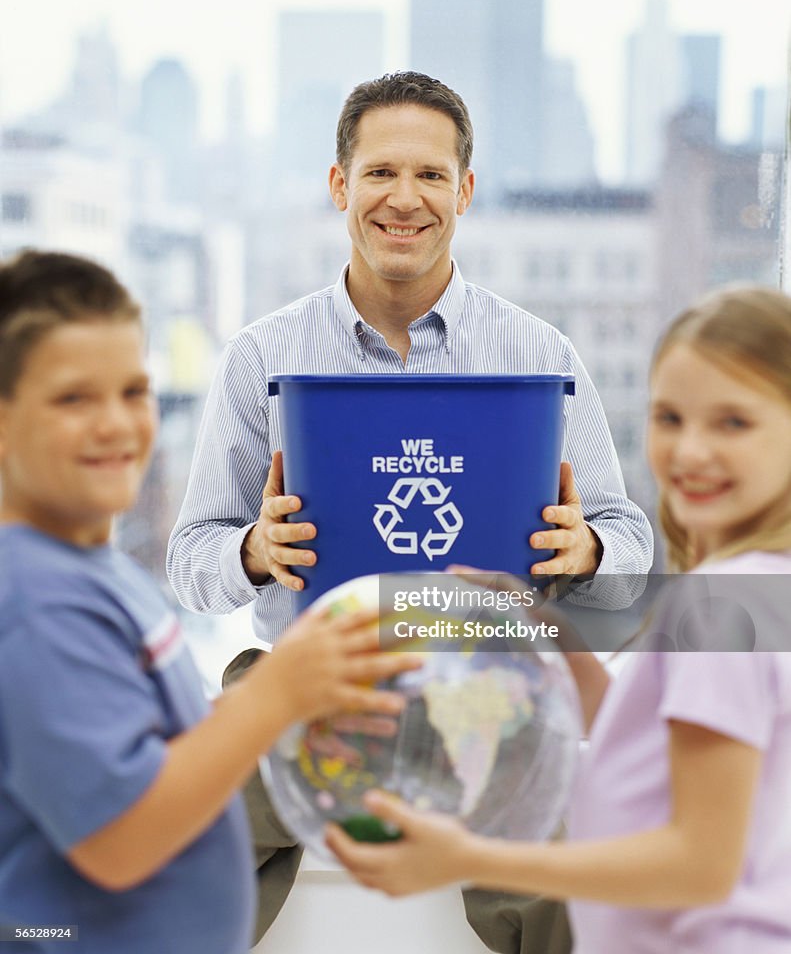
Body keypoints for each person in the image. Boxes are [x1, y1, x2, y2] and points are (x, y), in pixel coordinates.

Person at [166, 70, 652, 952]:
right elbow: (188, 562)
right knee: (164, 822)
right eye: (380, 171)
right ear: (338, 185)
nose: (404, 198)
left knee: (574, 866)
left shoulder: (540, 354)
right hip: (307, 689)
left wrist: (584, 550)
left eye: (430, 175)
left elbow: (627, 547)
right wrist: (250, 549)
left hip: (487, 693)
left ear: (463, 192)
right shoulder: (263, 355)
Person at [327, 284, 791, 954]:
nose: (689, 452)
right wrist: (540, 627)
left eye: (732, 423)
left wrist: (469, 859)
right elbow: (644, 743)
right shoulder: (760, 592)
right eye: (668, 418)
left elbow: (698, 865)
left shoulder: (721, 607)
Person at [0, 250, 420, 954]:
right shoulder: (35, 606)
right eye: (74, 399)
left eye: (133, 392)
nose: (116, 425)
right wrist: (276, 693)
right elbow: (119, 839)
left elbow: (151, 756)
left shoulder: (91, 575)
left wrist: (290, 703)